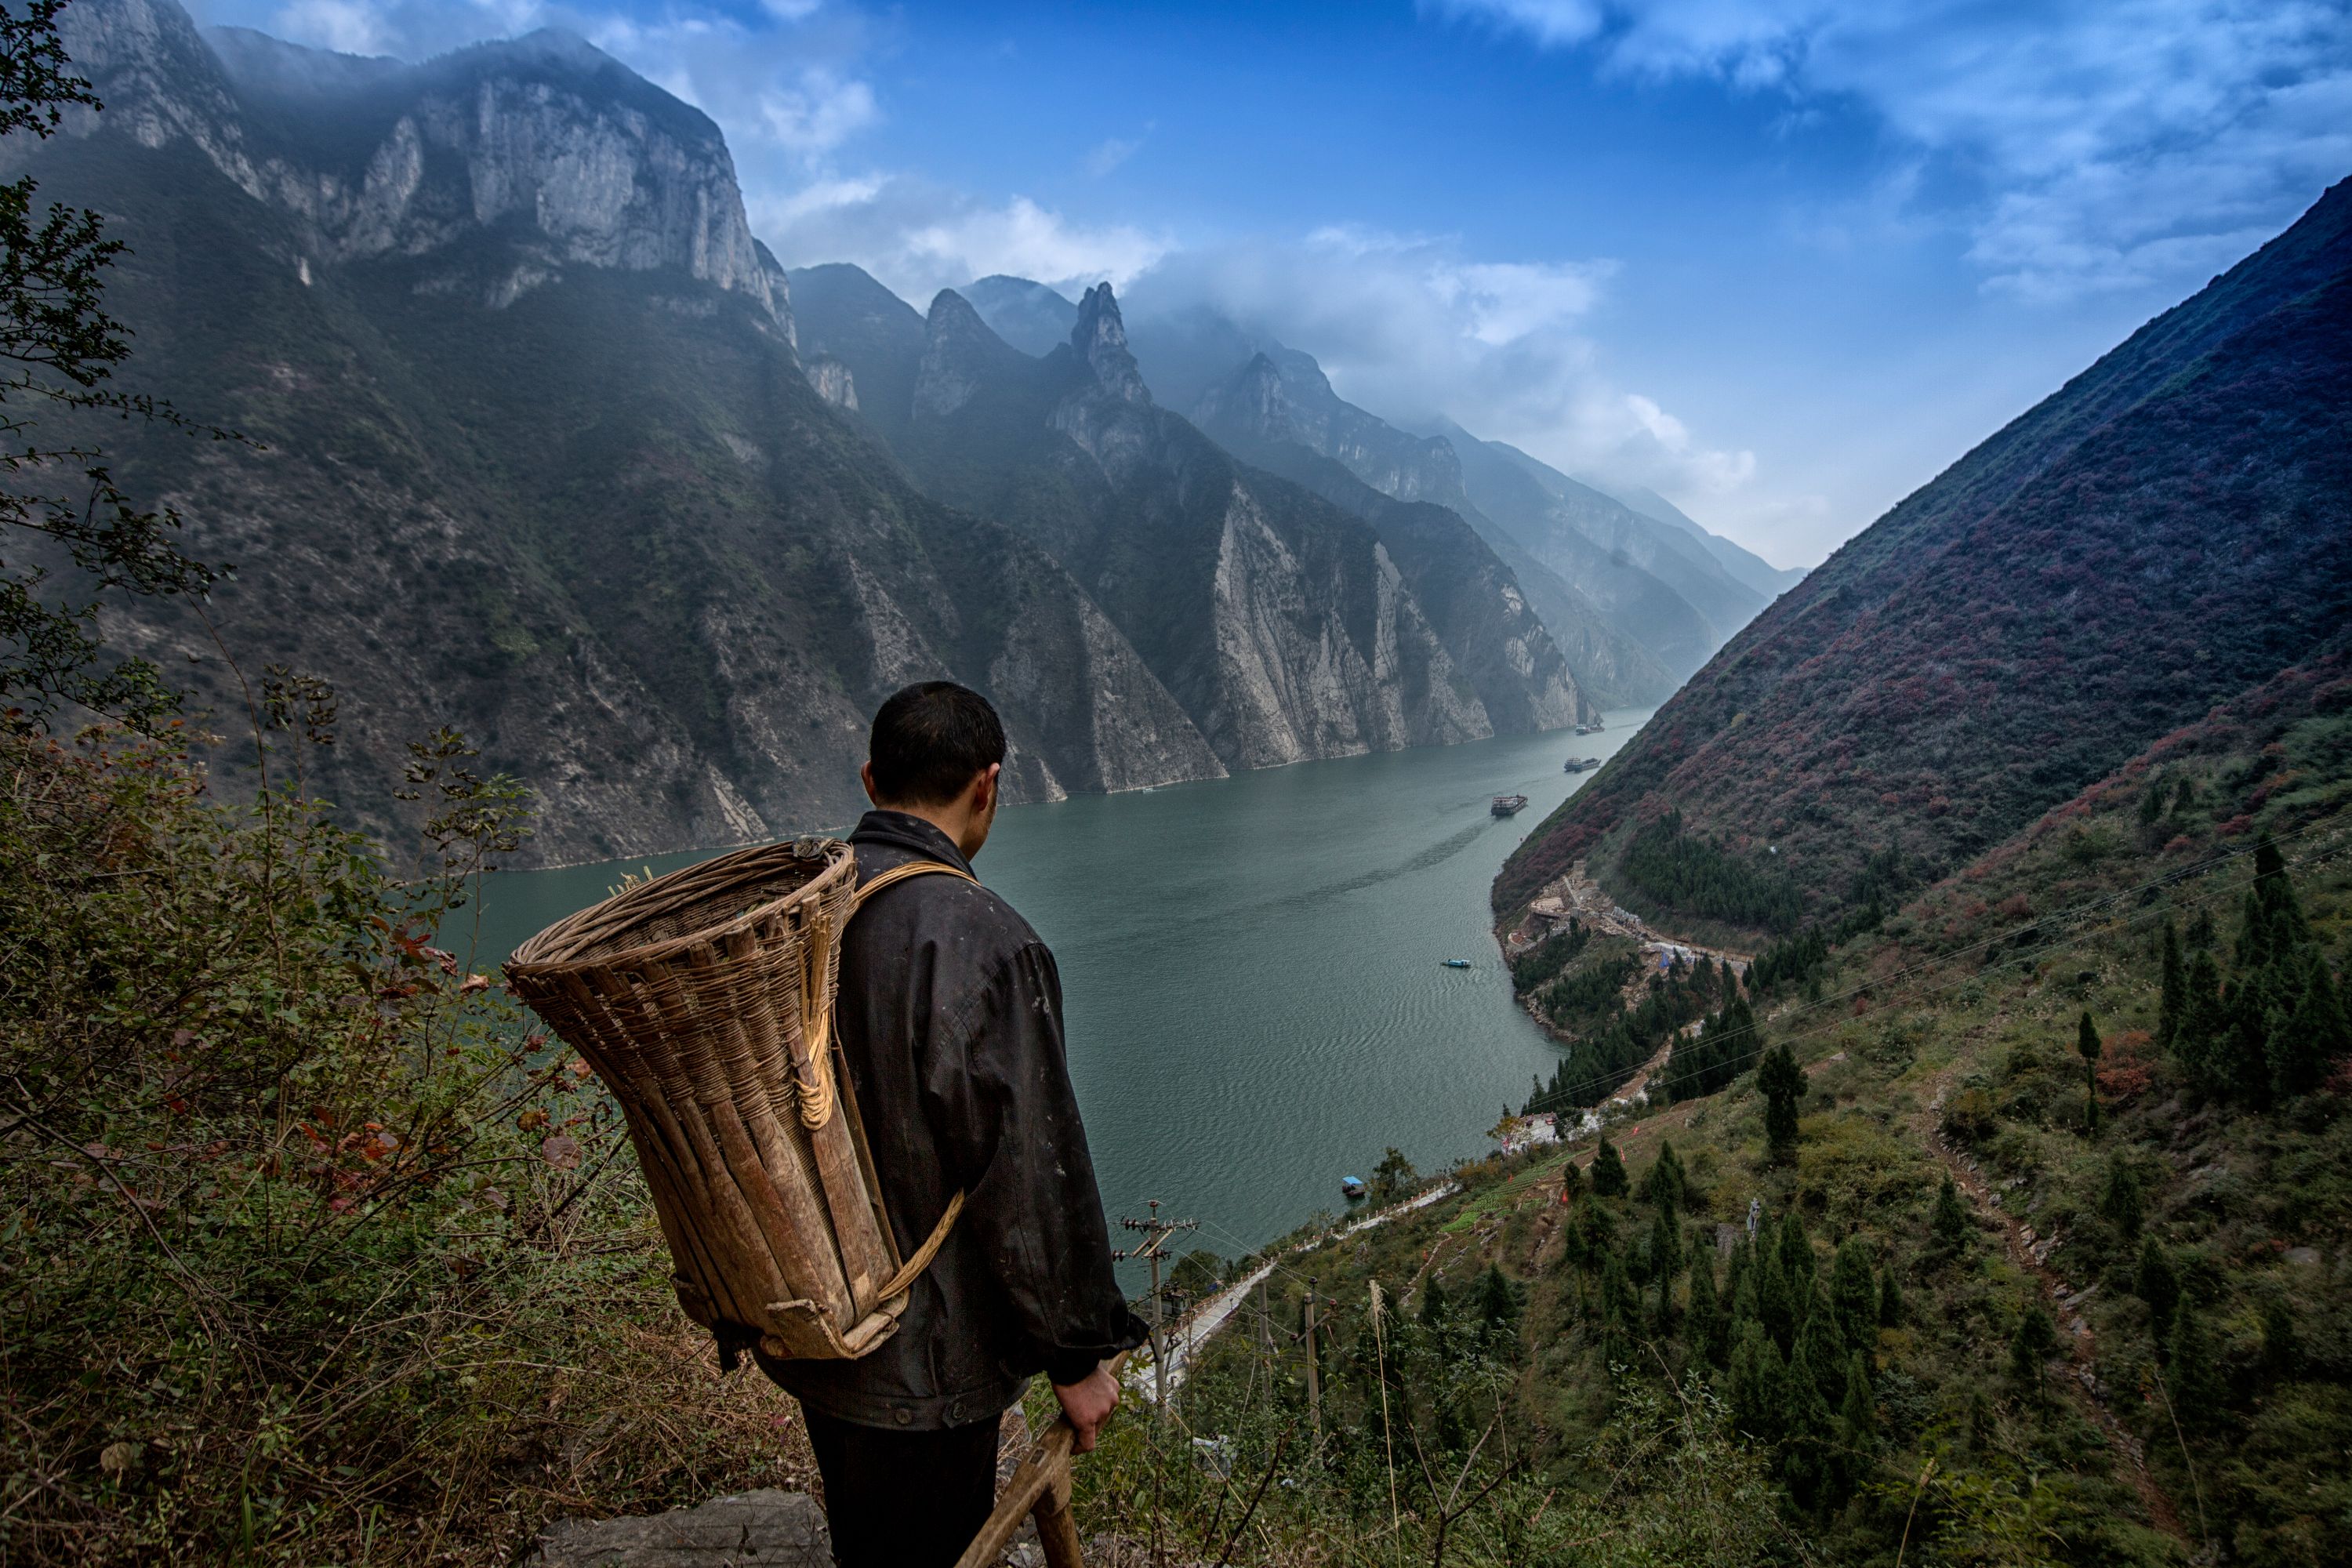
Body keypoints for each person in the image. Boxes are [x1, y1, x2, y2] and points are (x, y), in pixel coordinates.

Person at [757, 681, 1146, 1568]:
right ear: (988, 783)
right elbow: (1030, 1174)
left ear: (869, 776)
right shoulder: (985, 941)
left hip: (824, 1330)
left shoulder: (799, 914)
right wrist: (1078, 1355)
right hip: (927, 1365)